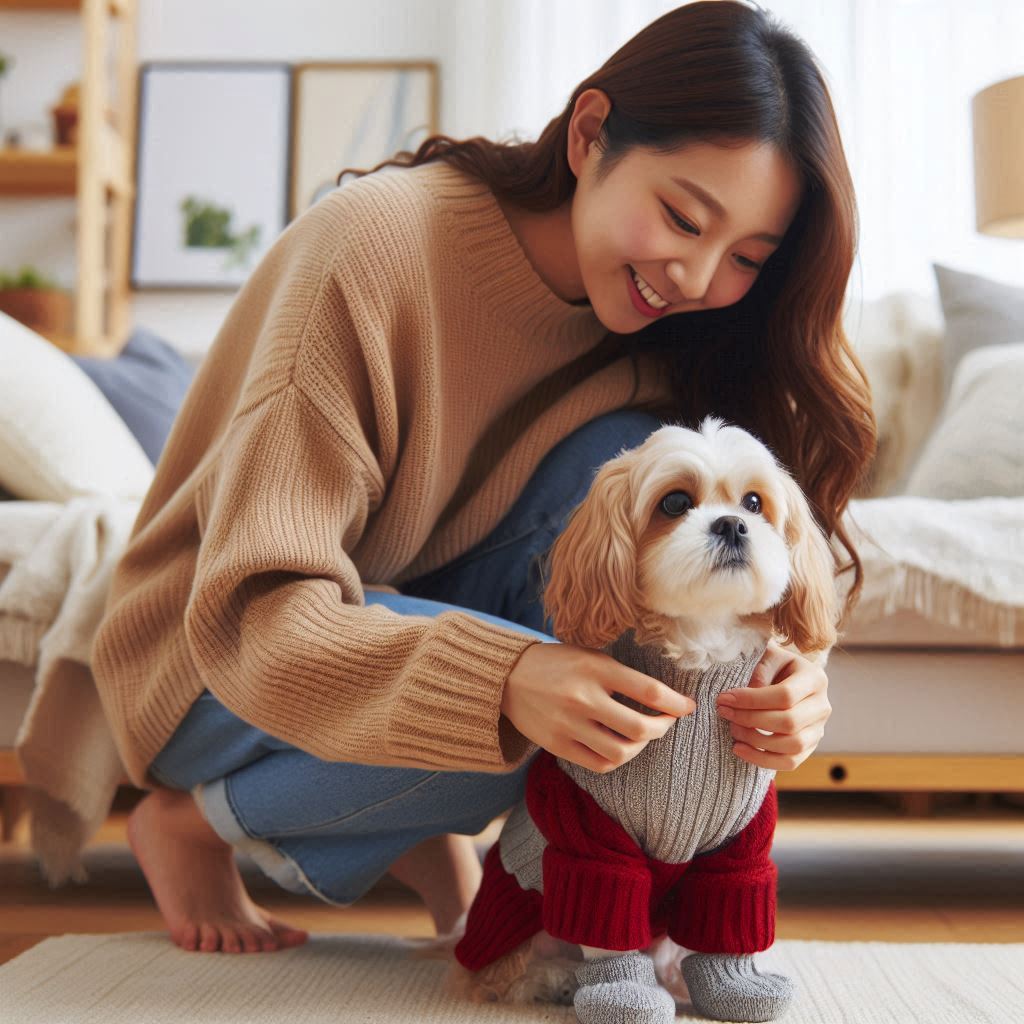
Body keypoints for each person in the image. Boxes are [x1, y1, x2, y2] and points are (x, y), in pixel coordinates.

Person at [90, 0, 874, 956]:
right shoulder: (373, 249)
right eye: (681, 216)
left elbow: (730, 559)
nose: (696, 275)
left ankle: (418, 830)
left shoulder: (679, 335)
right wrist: (507, 675)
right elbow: (254, 612)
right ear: (590, 135)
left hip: (400, 611)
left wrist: (795, 677)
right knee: (578, 711)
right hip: (218, 661)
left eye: (747, 257)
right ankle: (194, 820)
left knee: (634, 477)